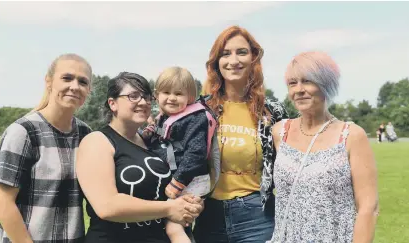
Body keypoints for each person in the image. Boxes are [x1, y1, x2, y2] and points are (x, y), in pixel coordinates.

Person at [75, 71, 204, 243]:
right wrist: (169, 208)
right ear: (112, 104)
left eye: (147, 97)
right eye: (133, 96)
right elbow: (107, 206)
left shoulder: (154, 142)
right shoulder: (98, 141)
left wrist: (191, 204)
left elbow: (173, 190)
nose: (143, 102)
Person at [268, 51, 379, 242]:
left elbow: (368, 207)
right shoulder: (279, 132)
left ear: (326, 84)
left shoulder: (351, 135)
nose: (299, 89)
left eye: (308, 81)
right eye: (292, 83)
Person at [192, 25, 289, 243]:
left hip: (257, 215)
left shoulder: (272, 111)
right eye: (225, 54)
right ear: (217, 62)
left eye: (241, 52)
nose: (233, 60)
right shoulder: (200, 110)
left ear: (253, 58)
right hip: (208, 214)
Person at [0, 53, 94, 243]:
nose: (74, 86)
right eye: (67, 78)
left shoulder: (85, 134)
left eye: (83, 82)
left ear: (89, 90)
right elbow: (2, 203)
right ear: (49, 82)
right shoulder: (23, 132)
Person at [141, 66, 217, 242]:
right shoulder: (164, 118)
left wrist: (178, 183)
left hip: (189, 180)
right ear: (156, 95)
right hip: (179, 179)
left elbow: (196, 154)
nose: (172, 98)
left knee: (173, 226)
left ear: (190, 97)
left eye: (178, 94)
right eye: (166, 92)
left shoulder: (195, 118)